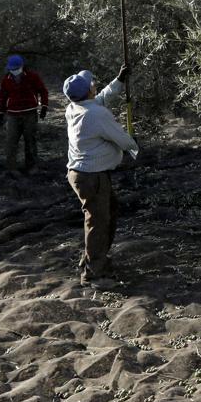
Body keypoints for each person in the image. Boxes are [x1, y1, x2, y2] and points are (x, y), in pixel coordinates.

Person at [64, 64, 138, 288]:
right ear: (87, 92)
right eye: (92, 84)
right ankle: (94, 274)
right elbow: (121, 138)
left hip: (83, 175)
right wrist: (134, 146)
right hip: (91, 177)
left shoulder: (74, 107)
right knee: (98, 222)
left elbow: (101, 98)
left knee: (107, 214)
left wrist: (119, 81)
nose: (94, 85)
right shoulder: (95, 115)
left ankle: (94, 260)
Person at [0, 54, 49, 175]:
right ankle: (11, 168)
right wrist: (0, 112)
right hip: (12, 115)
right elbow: (3, 97)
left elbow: (43, 91)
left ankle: (32, 166)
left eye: (16, 68)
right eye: (11, 69)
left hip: (30, 113)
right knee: (11, 141)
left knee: (30, 140)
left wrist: (44, 106)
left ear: (22, 66)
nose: (14, 71)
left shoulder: (32, 77)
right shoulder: (6, 80)